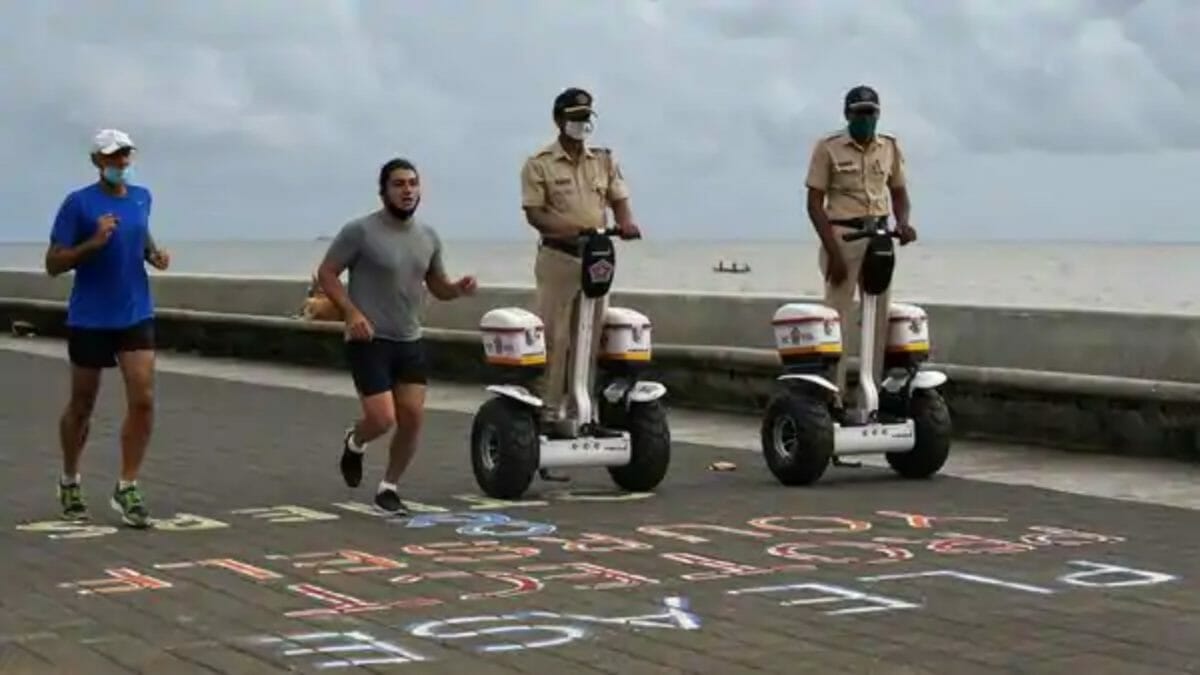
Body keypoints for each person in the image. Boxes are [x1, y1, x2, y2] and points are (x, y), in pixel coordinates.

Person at [317, 157, 477, 515]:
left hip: (409, 339)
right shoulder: (360, 231)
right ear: (384, 190)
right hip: (369, 339)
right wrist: (351, 312)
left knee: (413, 418)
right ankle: (355, 441)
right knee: (382, 419)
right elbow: (327, 274)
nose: (407, 191)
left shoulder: (428, 237)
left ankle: (389, 488)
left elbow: (438, 286)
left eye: (412, 184)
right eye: (399, 184)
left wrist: (458, 289)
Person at [43, 128, 171, 528]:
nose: (121, 163)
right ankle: (69, 479)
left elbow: (141, 236)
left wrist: (155, 254)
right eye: (113, 157)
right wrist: (92, 244)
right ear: (97, 161)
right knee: (83, 404)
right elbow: (53, 264)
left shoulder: (141, 196)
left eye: (125, 156)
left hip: (135, 312)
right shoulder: (78, 204)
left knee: (144, 398)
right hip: (90, 316)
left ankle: (127, 485)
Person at [519, 87, 642, 478]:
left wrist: (625, 222)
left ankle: (581, 413)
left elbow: (619, 198)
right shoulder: (539, 163)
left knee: (591, 337)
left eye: (586, 115)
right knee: (555, 339)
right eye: (573, 115)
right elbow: (536, 214)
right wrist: (576, 231)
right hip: (559, 258)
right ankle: (548, 417)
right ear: (558, 119)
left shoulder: (603, 160)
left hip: (596, 259)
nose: (581, 122)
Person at [803, 85, 917, 411]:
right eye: (859, 113)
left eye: (871, 113)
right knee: (836, 319)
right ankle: (833, 396)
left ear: (878, 114)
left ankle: (873, 395)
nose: (866, 119)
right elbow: (814, 204)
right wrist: (833, 252)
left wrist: (904, 222)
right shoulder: (829, 148)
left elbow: (899, 194)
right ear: (847, 115)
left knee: (878, 317)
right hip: (843, 236)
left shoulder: (889, 147)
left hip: (879, 237)